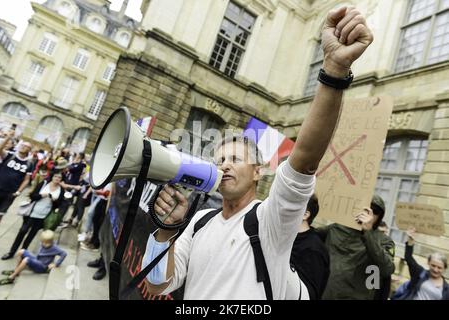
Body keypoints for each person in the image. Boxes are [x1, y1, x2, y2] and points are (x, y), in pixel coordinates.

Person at [141, 7, 374, 299]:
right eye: (220, 160)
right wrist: (166, 229)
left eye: (236, 159)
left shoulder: (271, 220)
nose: (225, 166)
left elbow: (303, 161)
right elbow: (157, 285)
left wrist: (334, 71)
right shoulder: (199, 221)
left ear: (258, 171)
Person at [317, 195, 396, 300]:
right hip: (325, 293)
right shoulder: (337, 228)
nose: (369, 214)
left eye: (375, 211)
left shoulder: (383, 240)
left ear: (379, 217)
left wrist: (368, 233)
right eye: (366, 208)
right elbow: (308, 236)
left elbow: (387, 269)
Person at [1, 171, 65, 260]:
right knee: (23, 231)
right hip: (32, 212)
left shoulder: (61, 190)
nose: (57, 179)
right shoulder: (44, 184)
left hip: (43, 216)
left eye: (59, 178)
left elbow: (58, 205)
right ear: (52, 176)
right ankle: (11, 252)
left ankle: (23, 253)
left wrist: (54, 201)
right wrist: (42, 195)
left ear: (61, 180)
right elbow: (32, 196)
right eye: (55, 176)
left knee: (31, 235)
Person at [290, 194, 330, 300]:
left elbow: (308, 294)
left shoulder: (314, 249)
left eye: (293, 205)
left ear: (305, 214)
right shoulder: (286, 238)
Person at [394, 228, 448, 300]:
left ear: (444, 269)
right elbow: (409, 258)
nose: (435, 269)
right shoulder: (420, 273)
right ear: (428, 263)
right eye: (433, 265)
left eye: (439, 267)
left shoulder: (446, 289)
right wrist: (410, 239)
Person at [0, 230, 67, 285]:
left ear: (52, 241)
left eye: (47, 243)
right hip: (37, 259)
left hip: (42, 266)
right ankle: (16, 271)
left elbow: (64, 253)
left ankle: (12, 277)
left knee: (26, 260)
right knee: (21, 251)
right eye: (43, 242)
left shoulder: (55, 248)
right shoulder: (43, 242)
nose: (44, 244)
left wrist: (56, 264)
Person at [0, 129, 33, 225]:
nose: (23, 147)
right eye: (23, 145)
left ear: (29, 150)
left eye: (26, 146)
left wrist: (18, 192)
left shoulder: (29, 163)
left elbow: (26, 180)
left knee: (0, 214)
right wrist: (8, 137)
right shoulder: (10, 155)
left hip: (10, 193)